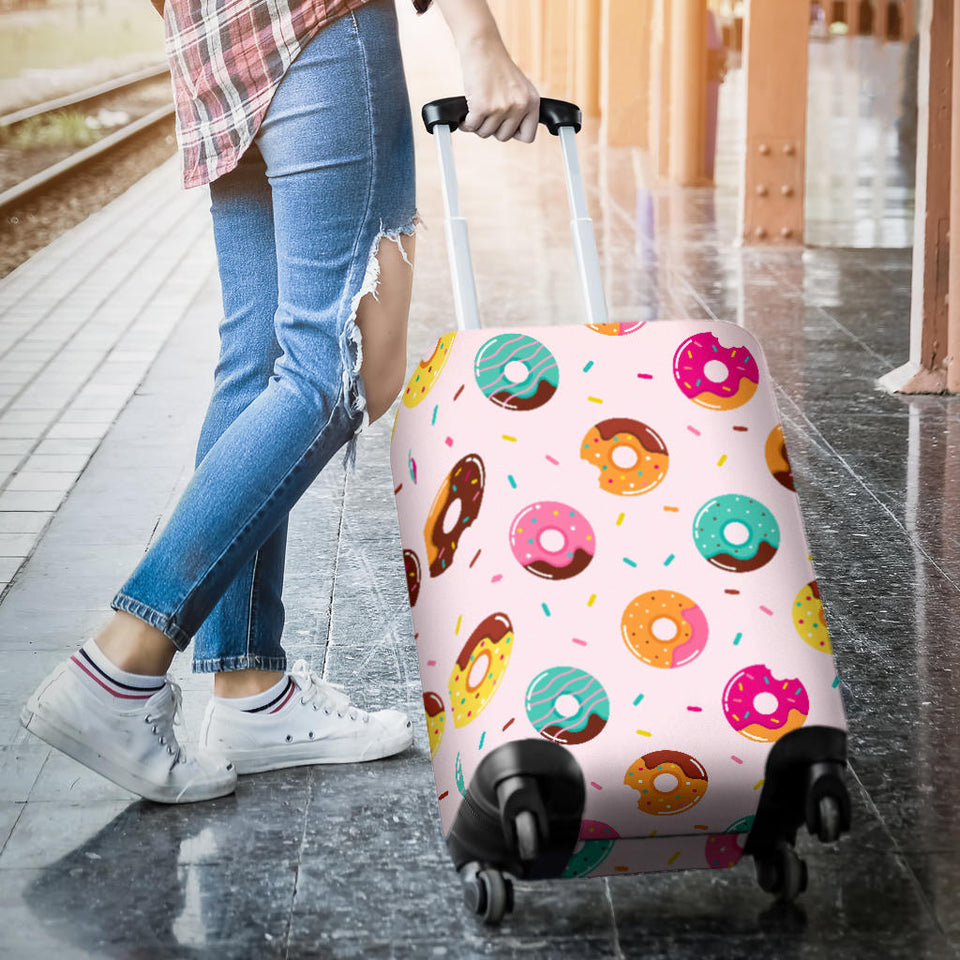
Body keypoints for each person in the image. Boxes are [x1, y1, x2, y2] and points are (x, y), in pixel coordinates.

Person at [20, 0, 539, 803]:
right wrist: (480, 40)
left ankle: (249, 689)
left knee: (259, 362)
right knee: (338, 368)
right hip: (320, 26)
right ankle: (119, 666)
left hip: (213, 47)